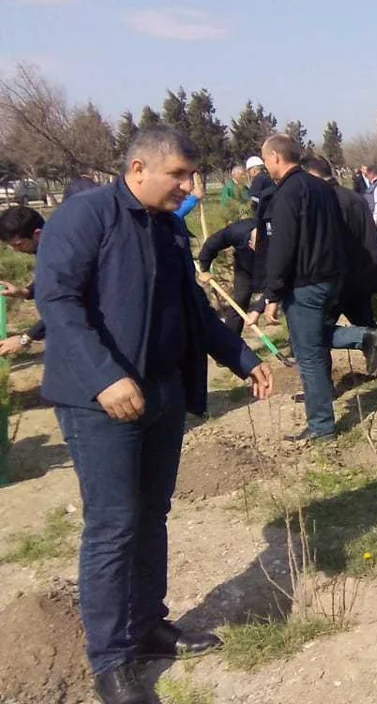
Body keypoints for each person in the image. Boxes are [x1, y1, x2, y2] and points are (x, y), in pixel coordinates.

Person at [35, 126, 272, 704]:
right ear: (138, 169)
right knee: (114, 525)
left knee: (152, 513)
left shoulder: (167, 226)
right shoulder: (86, 217)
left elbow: (192, 306)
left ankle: (148, 627)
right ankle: (111, 660)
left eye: (191, 175)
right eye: (179, 176)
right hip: (101, 402)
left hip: (162, 394)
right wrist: (103, 377)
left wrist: (242, 357)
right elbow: (56, 301)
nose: (189, 186)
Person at [254, 134, 377, 443]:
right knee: (311, 338)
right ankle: (362, 335)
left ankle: (321, 426)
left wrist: (271, 294)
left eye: (265, 160)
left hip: (304, 284)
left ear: (275, 157)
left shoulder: (286, 194)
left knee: (308, 353)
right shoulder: (321, 188)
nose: (266, 168)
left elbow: (283, 247)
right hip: (331, 278)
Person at [301, 154, 377, 391]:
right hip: (361, 276)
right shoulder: (355, 198)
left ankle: (323, 388)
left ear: (312, 175)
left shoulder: (323, 201)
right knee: (370, 330)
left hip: (337, 279)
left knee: (318, 333)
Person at [0, 205, 47, 357]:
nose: (15, 250)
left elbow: (63, 308)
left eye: (18, 244)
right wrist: (25, 292)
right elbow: (51, 282)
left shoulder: (60, 256)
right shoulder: (47, 248)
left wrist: (25, 339)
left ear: (37, 234)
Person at [196, 218, 257, 333]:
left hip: (273, 267)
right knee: (240, 301)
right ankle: (232, 340)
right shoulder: (236, 231)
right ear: (250, 243)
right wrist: (204, 268)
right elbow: (211, 244)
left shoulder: (279, 236)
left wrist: (258, 310)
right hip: (245, 268)